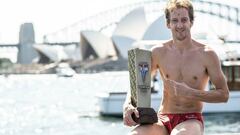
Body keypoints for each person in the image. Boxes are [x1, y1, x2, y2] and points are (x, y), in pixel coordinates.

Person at [123, 0, 229, 135]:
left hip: (190, 118)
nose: (179, 25)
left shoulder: (207, 54)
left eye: (184, 20)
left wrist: (190, 92)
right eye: (175, 20)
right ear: (168, 24)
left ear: (191, 22)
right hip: (162, 118)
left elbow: (224, 95)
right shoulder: (158, 52)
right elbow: (136, 84)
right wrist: (127, 104)